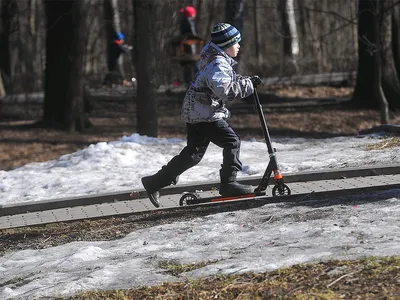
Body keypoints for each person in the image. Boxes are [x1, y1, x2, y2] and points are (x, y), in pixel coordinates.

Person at [141, 23, 263, 208]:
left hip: (197, 111)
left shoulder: (214, 58)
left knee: (193, 154)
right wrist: (249, 85)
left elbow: (221, 82)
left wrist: (245, 80)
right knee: (232, 141)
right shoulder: (218, 63)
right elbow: (226, 91)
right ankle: (229, 183)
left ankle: (155, 182)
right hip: (205, 113)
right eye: (236, 43)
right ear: (226, 45)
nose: (239, 46)